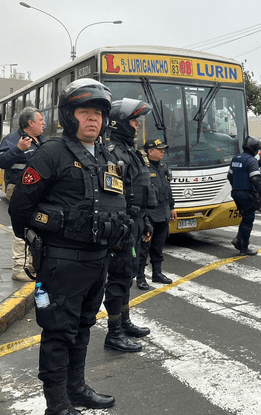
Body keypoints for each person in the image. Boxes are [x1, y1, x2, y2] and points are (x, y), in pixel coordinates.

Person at [8, 79, 130, 414]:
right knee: (58, 334)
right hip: (62, 262)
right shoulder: (51, 154)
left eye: (99, 114)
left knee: (82, 328)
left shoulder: (107, 157)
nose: (94, 119)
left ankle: (76, 389)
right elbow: (21, 209)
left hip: (97, 260)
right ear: (69, 115)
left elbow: (118, 203)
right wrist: (46, 235)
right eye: (85, 111)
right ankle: (57, 404)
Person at [103, 98, 156, 353]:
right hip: (121, 226)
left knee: (126, 276)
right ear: (120, 123)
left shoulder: (129, 151)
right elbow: (112, 195)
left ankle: (124, 323)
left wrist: (144, 221)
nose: (137, 125)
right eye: (134, 121)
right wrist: (121, 226)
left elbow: (139, 191)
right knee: (117, 278)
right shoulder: (113, 152)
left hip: (133, 222)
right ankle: (113, 333)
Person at [0, 106, 46, 281]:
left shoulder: (42, 140)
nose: (44, 123)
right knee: (22, 226)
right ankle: (19, 267)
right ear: (30, 123)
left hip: (40, 191)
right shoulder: (13, 139)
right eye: (41, 120)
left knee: (37, 225)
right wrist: (18, 149)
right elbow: (0, 161)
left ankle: (32, 264)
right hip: (18, 189)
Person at [136, 139, 176, 290]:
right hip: (149, 214)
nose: (162, 152)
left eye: (162, 149)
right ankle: (140, 277)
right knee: (144, 247)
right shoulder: (142, 168)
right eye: (159, 149)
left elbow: (168, 189)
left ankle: (157, 273)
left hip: (163, 211)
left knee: (158, 246)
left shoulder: (164, 167)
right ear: (149, 151)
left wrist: (172, 207)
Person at [228, 136, 261, 256]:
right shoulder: (251, 160)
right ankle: (244, 248)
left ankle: (238, 240)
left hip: (235, 193)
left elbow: (229, 176)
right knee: (248, 220)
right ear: (253, 148)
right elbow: (256, 179)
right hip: (246, 193)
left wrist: (236, 186)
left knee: (245, 217)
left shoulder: (236, 158)